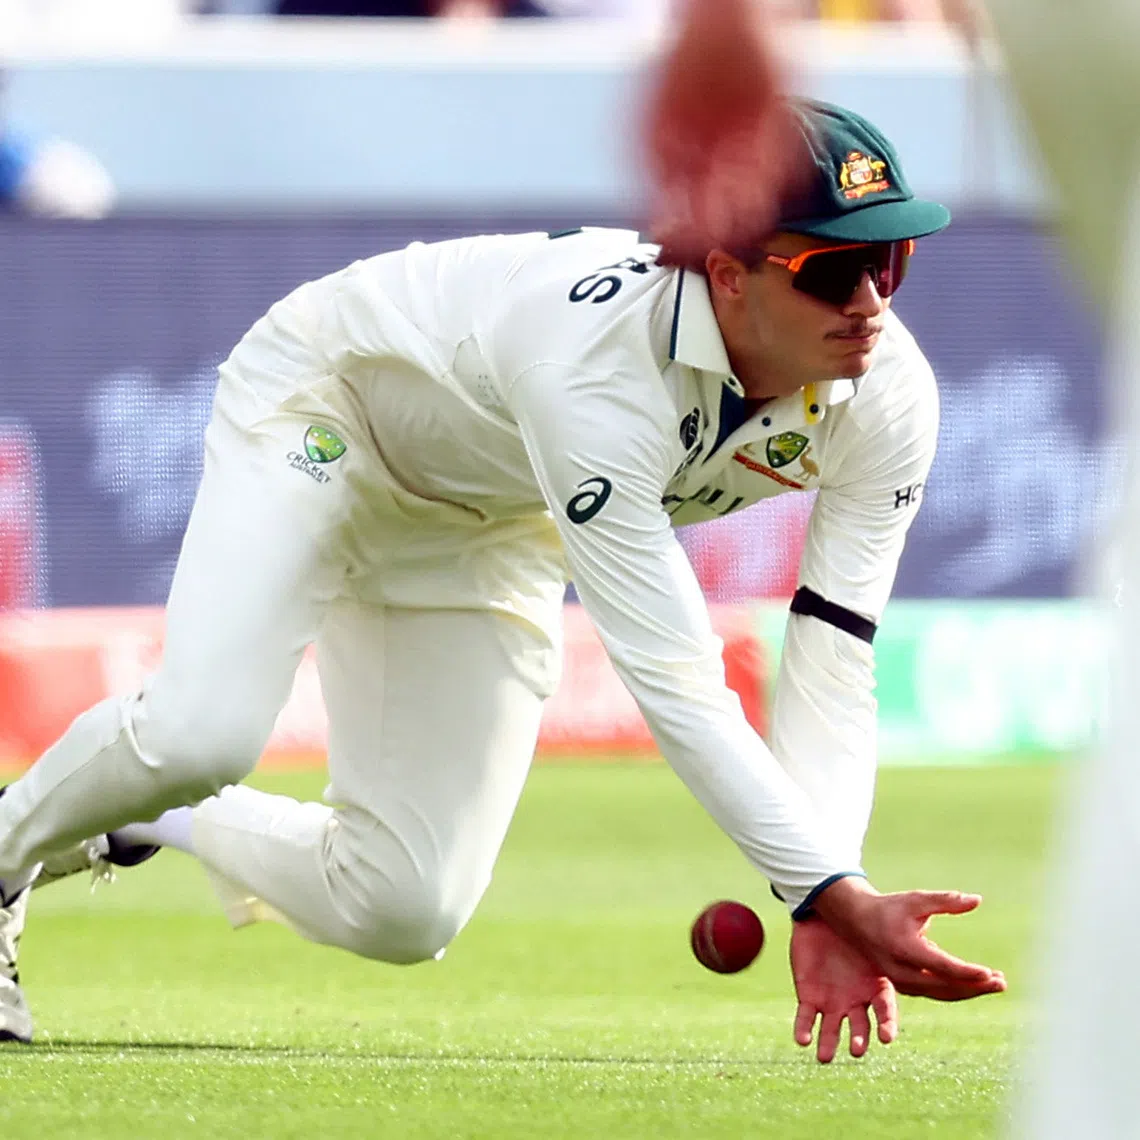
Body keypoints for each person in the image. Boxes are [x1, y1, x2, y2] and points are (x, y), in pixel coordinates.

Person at [0, 98, 1006, 1059]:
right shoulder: (599, 373)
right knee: (200, 732)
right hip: (329, 411)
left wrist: (831, 892)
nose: (871, 304)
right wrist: (827, 888)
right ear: (728, 274)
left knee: (402, 906)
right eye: (834, 270)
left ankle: (145, 811)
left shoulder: (888, 395)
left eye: (890, 261)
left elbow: (834, 657)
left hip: (490, 508)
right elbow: (680, 690)